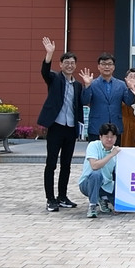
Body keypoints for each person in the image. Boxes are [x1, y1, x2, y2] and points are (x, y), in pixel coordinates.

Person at [37, 36, 84, 212]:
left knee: (66, 164)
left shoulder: (78, 85)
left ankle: (62, 196)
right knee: (51, 163)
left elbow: (79, 105)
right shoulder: (55, 79)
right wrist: (49, 54)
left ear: (75, 65)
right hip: (56, 126)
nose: (69, 65)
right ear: (61, 64)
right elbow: (44, 71)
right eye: (66, 63)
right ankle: (50, 199)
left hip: (70, 128)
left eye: (72, 63)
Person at [78, 53, 135, 144]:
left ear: (113, 67)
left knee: (115, 152)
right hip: (96, 127)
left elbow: (129, 102)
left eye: (109, 64)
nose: (107, 67)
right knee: (96, 152)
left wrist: (131, 88)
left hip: (116, 127)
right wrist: (87, 86)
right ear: (98, 67)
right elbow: (85, 101)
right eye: (103, 64)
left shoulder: (121, 85)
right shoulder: (92, 84)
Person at [78, 123, 121, 218]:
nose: (109, 139)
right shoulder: (93, 145)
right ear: (100, 137)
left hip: (106, 185)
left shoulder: (117, 151)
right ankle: (92, 206)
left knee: (123, 206)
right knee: (96, 174)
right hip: (87, 183)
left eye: (112, 137)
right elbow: (94, 166)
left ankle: (103, 199)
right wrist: (111, 155)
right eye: (107, 137)